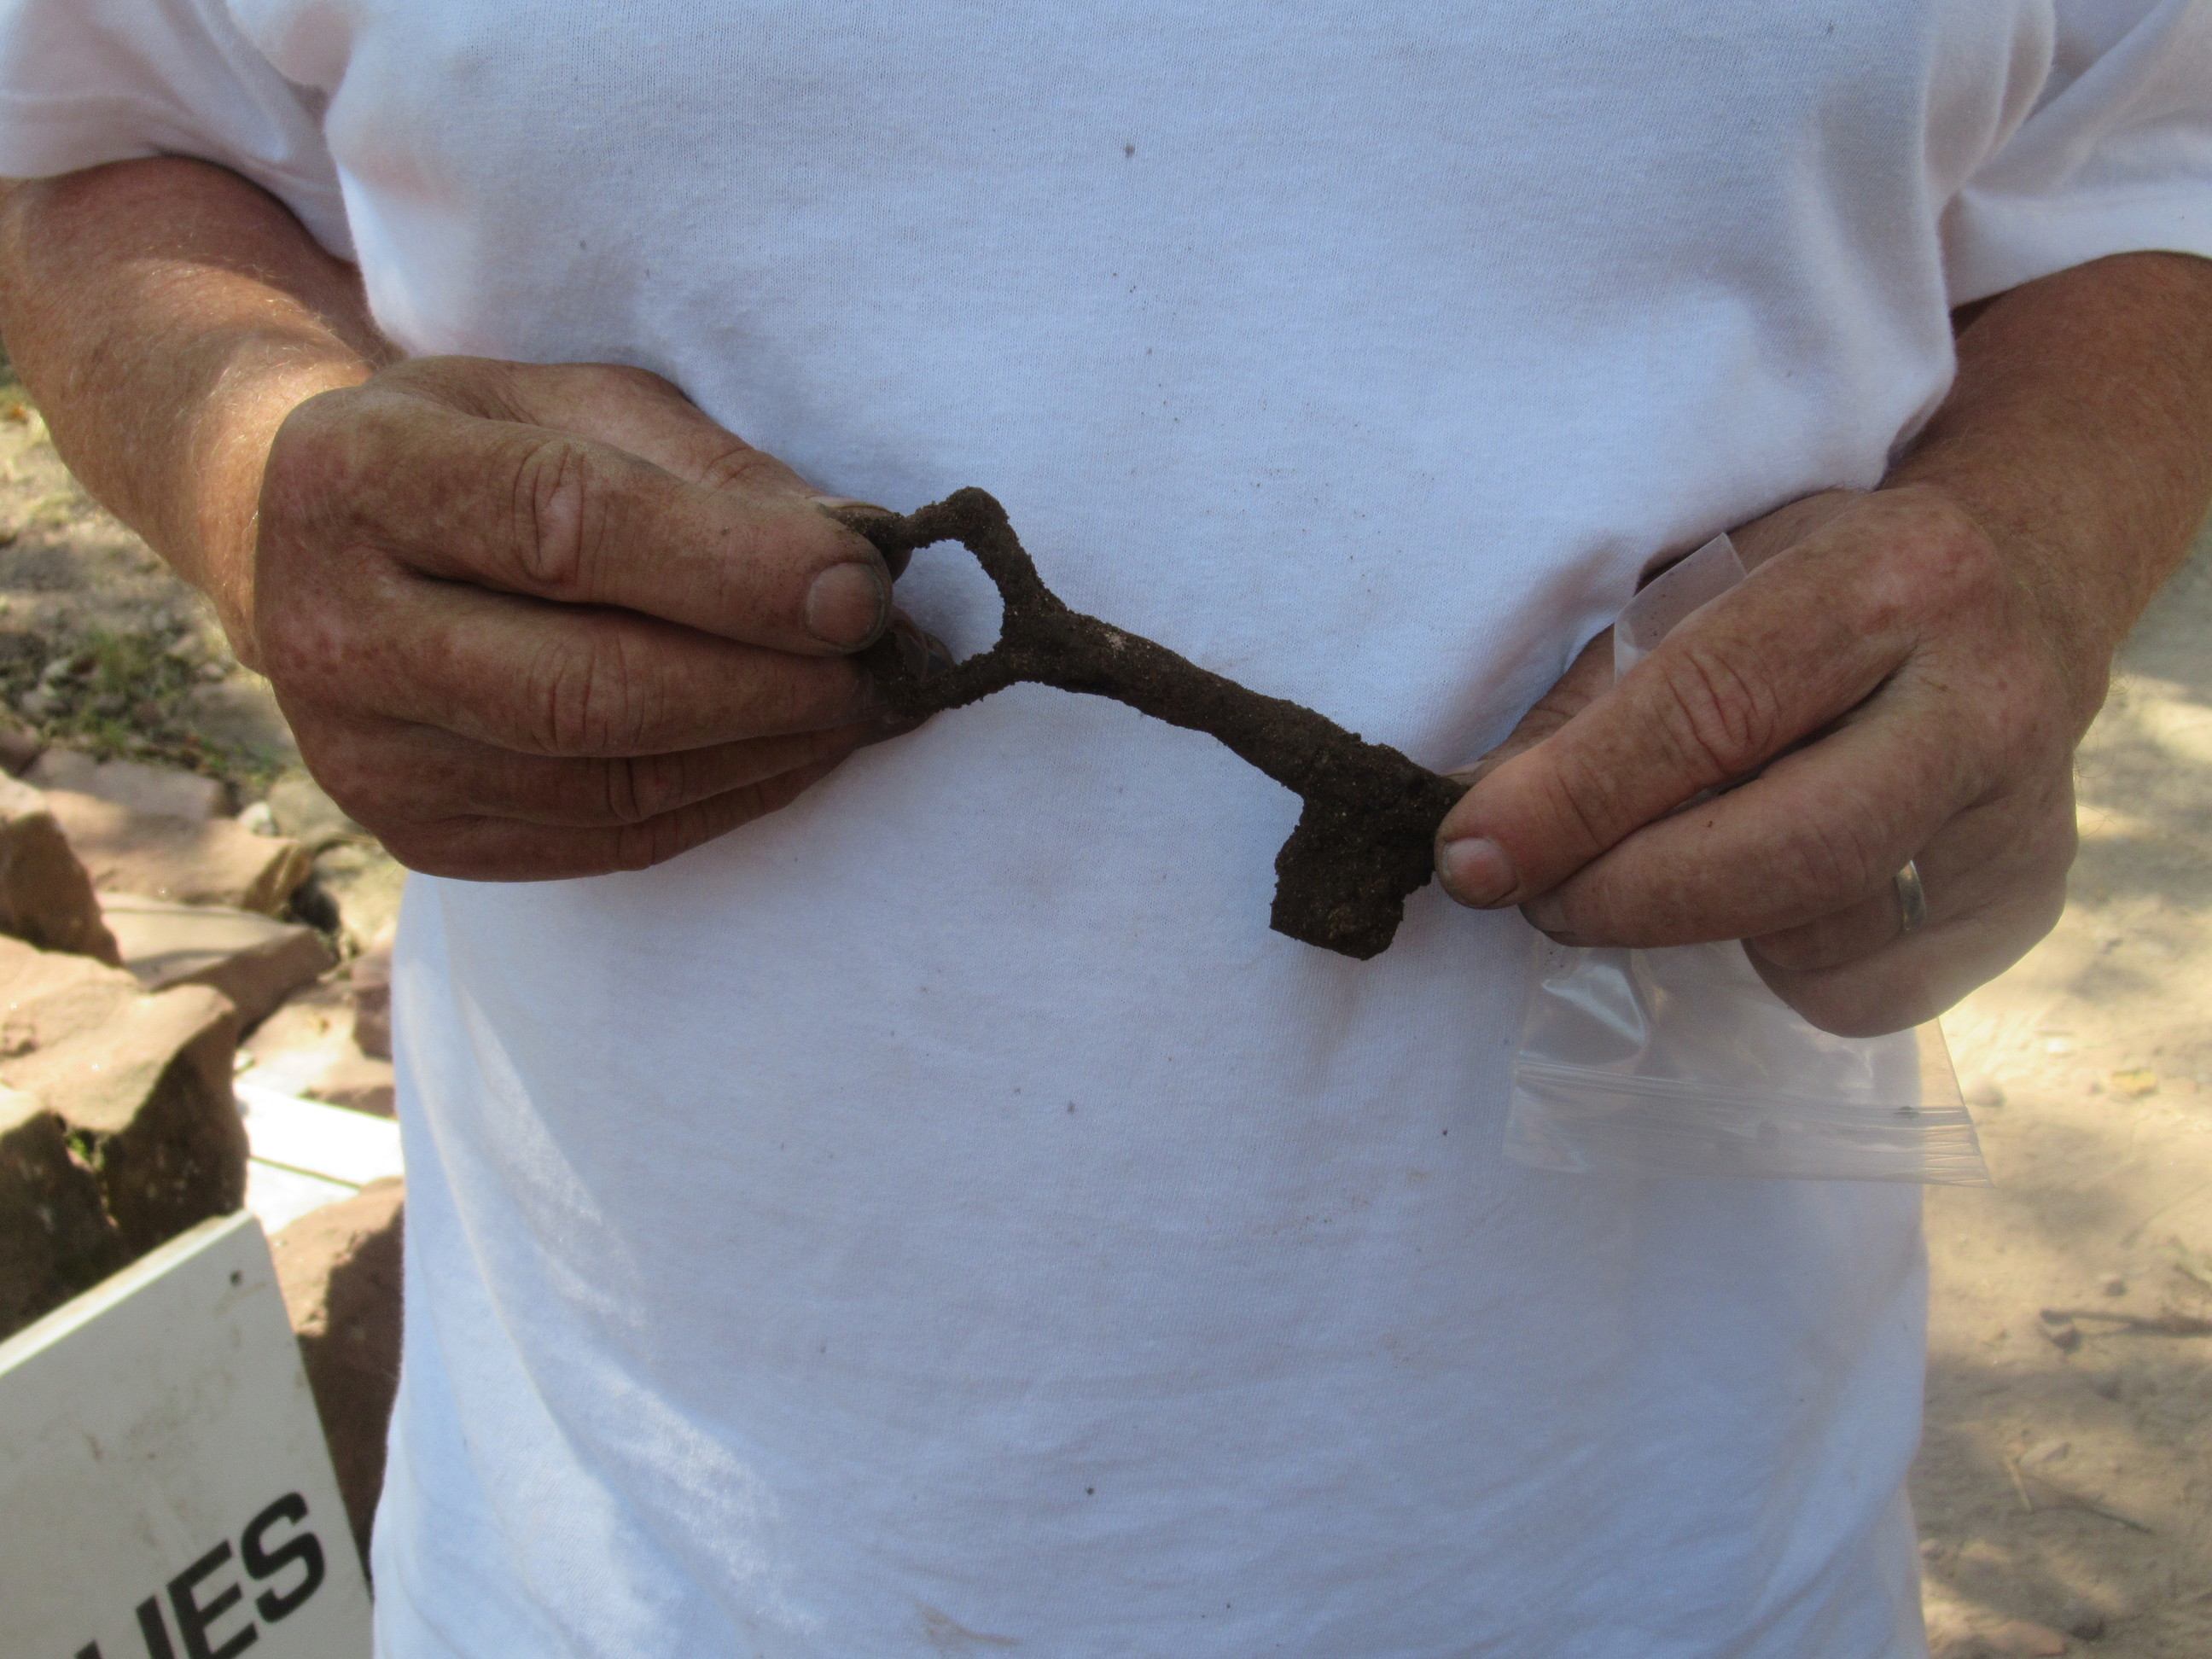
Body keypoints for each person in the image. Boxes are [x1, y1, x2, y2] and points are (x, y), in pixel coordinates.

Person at [1, 3, 2209, 1653]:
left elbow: (2151, 157)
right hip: (642, 1558)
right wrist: (247, 456)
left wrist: (2041, 540)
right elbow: (84, 136)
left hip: (1680, 1556)